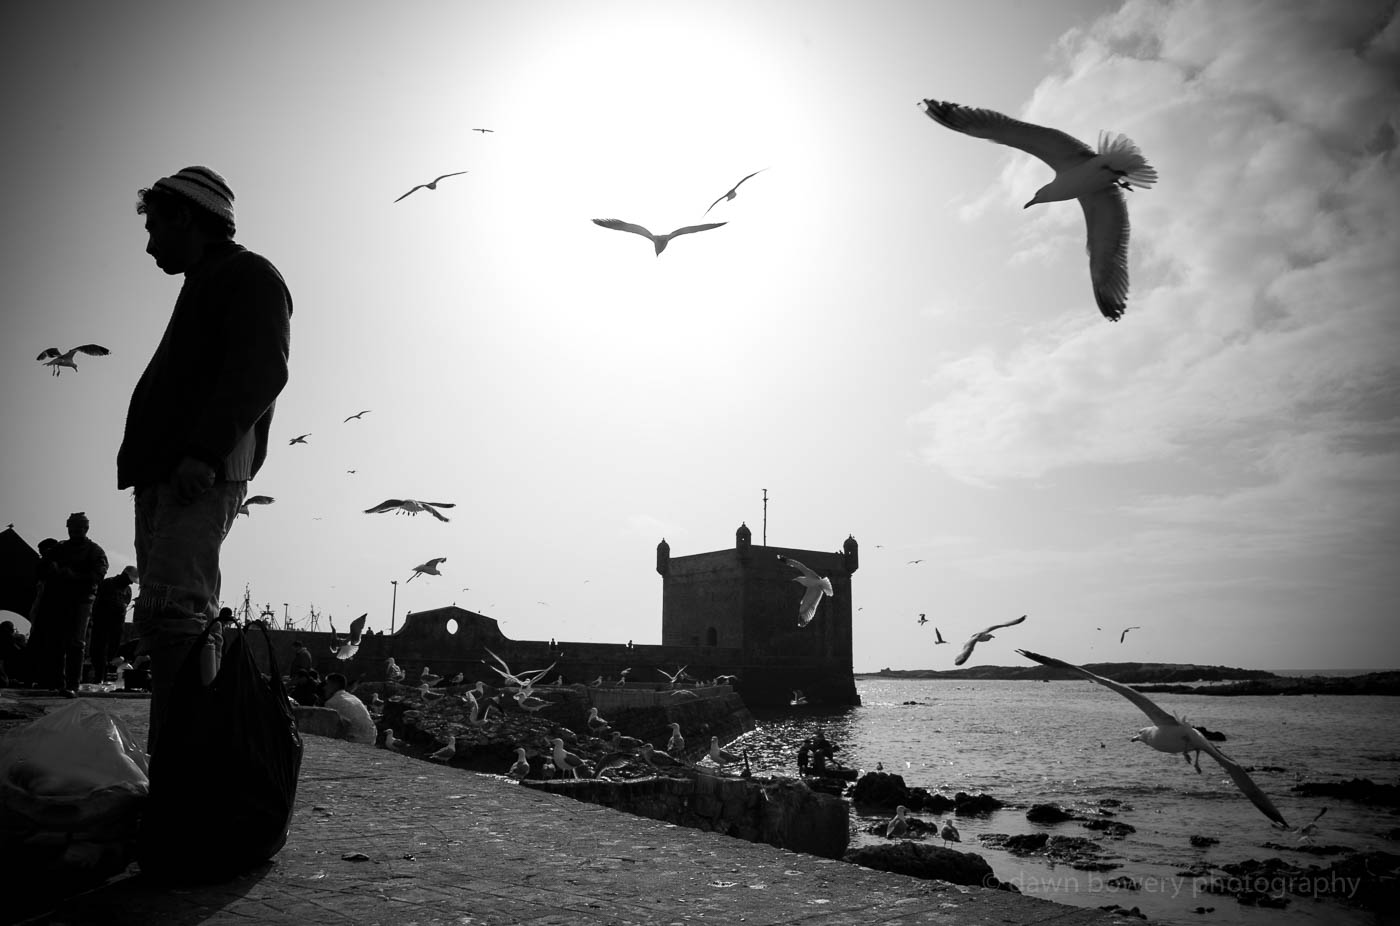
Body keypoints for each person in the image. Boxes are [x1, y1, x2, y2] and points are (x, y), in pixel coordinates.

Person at [119, 166, 293, 757]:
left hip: (197, 471)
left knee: (177, 615)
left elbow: (262, 370)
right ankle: (182, 768)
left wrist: (201, 451)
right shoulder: (207, 281)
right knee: (166, 617)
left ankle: (185, 771)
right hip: (171, 472)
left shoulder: (249, 276)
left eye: (154, 226)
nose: (149, 244)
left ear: (187, 217)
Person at [36, 513, 108, 696]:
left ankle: (72, 685)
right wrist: (50, 569)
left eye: (78, 528)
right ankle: (57, 682)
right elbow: (40, 569)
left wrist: (72, 575)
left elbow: (98, 576)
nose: (74, 531)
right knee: (56, 641)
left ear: (86, 529)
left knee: (76, 643)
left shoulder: (95, 551)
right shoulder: (58, 549)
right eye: (71, 528)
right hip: (58, 600)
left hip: (81, 601)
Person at [90, 565, 138, 683]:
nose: (132, 584)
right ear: (125, 575)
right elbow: (96, 604)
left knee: (112, 651)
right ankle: (99, 677)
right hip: (102, 622)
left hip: (117, 625)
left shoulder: (128, 590)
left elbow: (125, 605)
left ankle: (105, 674)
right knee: (99, 649)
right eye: (131, 580)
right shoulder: (107, 583)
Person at [322, 673, 377, 745]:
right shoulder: (353, 697)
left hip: (358, 739)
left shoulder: (331, 702)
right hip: (372, 737)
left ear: (334, 685)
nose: (324, 687)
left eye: (327, 684)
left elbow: (332, 728)